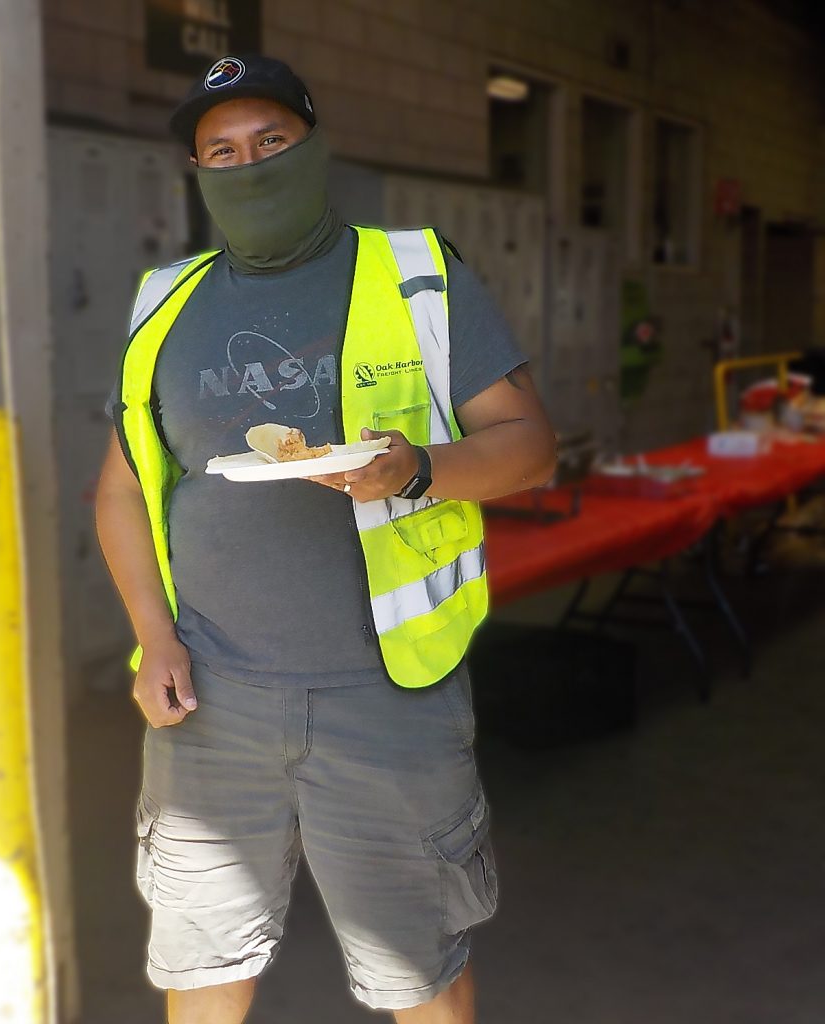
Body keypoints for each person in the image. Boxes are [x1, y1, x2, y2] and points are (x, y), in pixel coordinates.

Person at [95, 52, 556, 1024]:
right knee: (202, 959)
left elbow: (528, 448)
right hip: (210, 701)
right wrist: (155, 636)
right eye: (219, 151)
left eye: (270, 142)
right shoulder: (164, 302)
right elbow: (124, 488)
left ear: (316, 149)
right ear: (198, 174)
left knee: (416, 967)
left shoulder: (417, 274)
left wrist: (414, 467)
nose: (246, 165)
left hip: (386, 696)